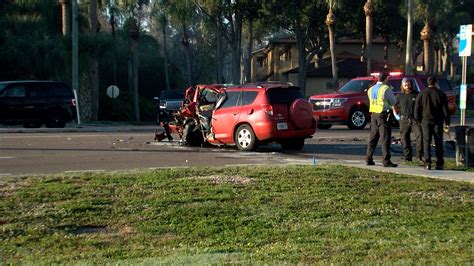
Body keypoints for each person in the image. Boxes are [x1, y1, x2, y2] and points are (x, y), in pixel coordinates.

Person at [414, 76, 450, 170]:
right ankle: (439, 163)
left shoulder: (422, 94)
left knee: (426, 142)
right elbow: (445, 109)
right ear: (436, 83)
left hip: (425, 121)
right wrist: (447, 121)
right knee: (438, 142)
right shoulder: (441, 94)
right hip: (438, 121)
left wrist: (418, 120)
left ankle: (427, 162)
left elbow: (417, 108)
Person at [366, 71, 398, 167]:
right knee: (385, 138)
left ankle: (368, 158)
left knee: (373, 138)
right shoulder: (385, 89)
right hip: (383, 115)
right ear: (386, 78)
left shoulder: (371, 89)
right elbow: (393, 101)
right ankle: (386, 160)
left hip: (374, 114)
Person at [392, 78, 423, 163]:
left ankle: (419, 156)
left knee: (420, 136)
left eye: (408, 85)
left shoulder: (417, 95)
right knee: (405, 138)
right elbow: (393, 105)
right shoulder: (399, 96)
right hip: (404, 119)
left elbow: (422, 106)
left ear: (411, 85)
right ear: (402, 86)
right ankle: (407, 157)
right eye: (405, 85)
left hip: (415, 119)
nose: (407, 87)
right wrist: (395, 114)